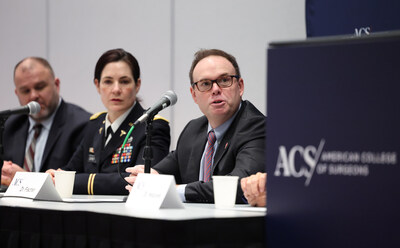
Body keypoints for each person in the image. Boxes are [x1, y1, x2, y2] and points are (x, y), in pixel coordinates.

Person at [125, 49, 266, 203]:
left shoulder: (257, 127)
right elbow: (162, 172)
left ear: (240, 86)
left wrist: (171, 190)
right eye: (205, 84)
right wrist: (149, 177)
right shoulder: (193, 129)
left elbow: (236, 185)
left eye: (225, 80)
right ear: (194, 95)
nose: (216, 89)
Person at [47, 48, 170, 195]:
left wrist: (70, 181)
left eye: (124, 81)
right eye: (108, 81)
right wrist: (55, 176)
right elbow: (70, 170)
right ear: (97, 85)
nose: (116, 89)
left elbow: (139, 182)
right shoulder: (94, 124)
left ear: (137, 85)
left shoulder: (152, 126)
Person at [1, 57, 90, 187]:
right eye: (25, 91)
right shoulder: (8, 125)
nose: (33, 96)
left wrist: (24, 179)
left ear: (57, 85)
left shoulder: (82, 125)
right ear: (17, 93)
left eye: (40, 87)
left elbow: (75, 182)